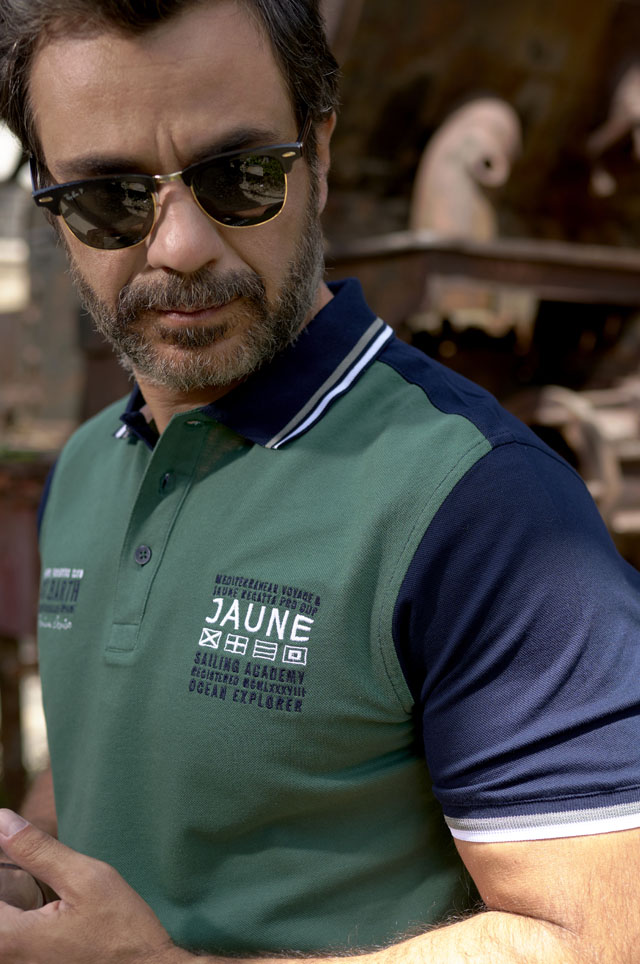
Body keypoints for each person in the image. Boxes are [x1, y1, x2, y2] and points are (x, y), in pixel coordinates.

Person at [0, 1, 639, 962]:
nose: (179, 246)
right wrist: (25, 873)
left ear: (321, 154)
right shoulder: (89, 466)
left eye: (240, 175)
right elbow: (105, 766)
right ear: (51, 204)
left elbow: (601, 935)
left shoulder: (485, 505)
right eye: (109, 197)